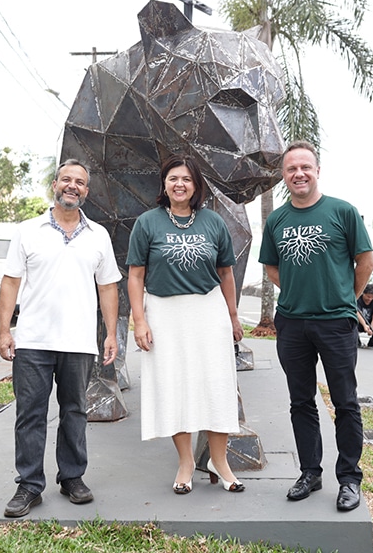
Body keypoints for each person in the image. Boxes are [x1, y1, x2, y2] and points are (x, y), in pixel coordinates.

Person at [0, 159, 121, 518]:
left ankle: (72, 477)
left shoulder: (98, 235)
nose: (72, 186)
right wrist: (5, 330)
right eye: (66, 179)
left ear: (86, 191)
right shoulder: (27, 230)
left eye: (80, 182)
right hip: (33, 340)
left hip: (79, 342)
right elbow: (10, 282)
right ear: (54, 185)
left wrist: (111, 333)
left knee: (74, 413)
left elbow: (108, 286)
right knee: (30, 414)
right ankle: (29, 485)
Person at [259, 140, 373, 512]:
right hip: (292, 324)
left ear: (317, 170)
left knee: (345, 402)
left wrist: (344, 296)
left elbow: (366, 262)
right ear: (283, 176)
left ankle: (349, 479)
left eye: (305, 167)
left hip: (335, 324)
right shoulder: (276, 219)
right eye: (291, 169)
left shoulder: (342, 212)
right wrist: (298, 291)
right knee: (301, 401)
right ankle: (310, 472)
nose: (299, 174)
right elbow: (271, 268)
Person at [126, 156, 245, 495]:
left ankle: (219, 461)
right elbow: (135, 275)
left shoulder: (213, 222)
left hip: (209, 311)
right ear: (164, 184)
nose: (180, 184)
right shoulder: (147, 223)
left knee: (216, 384)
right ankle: (186, 462)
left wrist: (233, 316)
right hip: (163, 313)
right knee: (174, 385)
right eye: (173, 178)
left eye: (187, 179)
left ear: (196, 186)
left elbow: (226, 273)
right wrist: (140, 320)